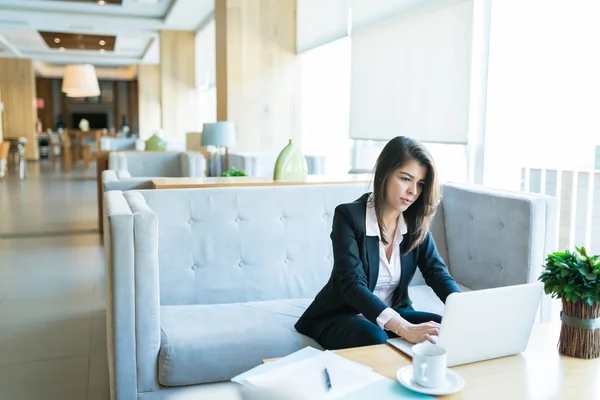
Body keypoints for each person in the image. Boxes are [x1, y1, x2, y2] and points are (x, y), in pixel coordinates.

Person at [295, 136, 461, 350]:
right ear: (384, 174)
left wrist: (462, 310)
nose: (413, 191)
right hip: (343, 314)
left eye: (420, 184)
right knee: (375, 336)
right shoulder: (349, 216)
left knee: (443, 326)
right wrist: (404, 328)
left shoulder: (414, 223)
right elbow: (353, 285)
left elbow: (436, 272)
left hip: (393, 312)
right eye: (405, 178)